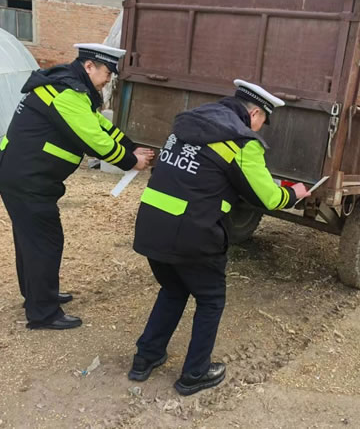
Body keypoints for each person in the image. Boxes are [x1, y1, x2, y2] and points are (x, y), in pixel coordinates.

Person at [128, 79, 310, 396]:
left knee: (173, 289)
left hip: (152, 226)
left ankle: (146, 357)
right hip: (193, 235)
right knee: (211, 299)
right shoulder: (241, 142)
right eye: (263, 121)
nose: (260, 129)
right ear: (255, 113)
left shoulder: (187, 125)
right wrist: (294, 194)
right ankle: (195, 373)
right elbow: (267, 197)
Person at [0, 43, 154, 330]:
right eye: (107, 72)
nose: (108, 79)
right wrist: (131, 161)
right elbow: (94, 140)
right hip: (28, 180)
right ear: (89, 66)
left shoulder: (69, 88)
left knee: (31, 241)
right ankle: (43, 312)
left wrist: (131, 146)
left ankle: (36, 295)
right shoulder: (68, 93)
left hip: (23, 175)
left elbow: (99, 125)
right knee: (45, 243)